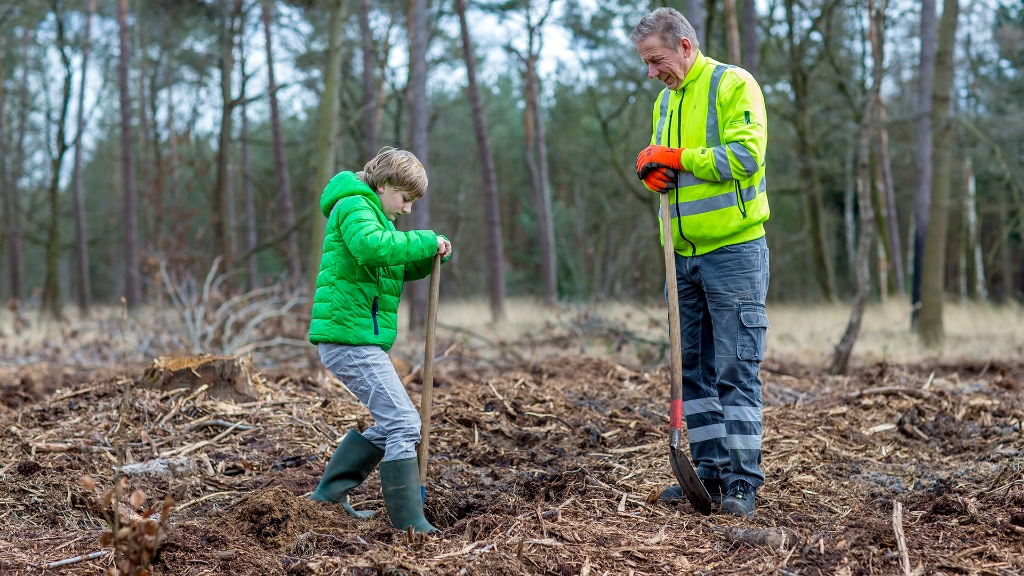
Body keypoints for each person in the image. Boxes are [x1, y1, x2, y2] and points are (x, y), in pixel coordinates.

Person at [630, 8, 770, 518]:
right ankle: (707, 473)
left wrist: (677, 158)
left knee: (735, 369)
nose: (652, 73)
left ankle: (741, 481)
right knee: (693, 371)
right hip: (680, 257)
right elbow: (664, 168)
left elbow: (747, 155)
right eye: (646, 64)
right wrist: (650, 169)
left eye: (657, 60)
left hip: (733, 253)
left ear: (685, 46)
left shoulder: (733, 85)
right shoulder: (666, 101)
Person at [307, 147, 451, 533]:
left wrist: (429, 256)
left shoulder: (377, 215)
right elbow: (372, 250)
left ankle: (329, 495)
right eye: (405, 198)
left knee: (395, 424)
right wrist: (422, 239)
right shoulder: (354, 205)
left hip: (359, 338)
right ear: (385, 183)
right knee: (405, 423)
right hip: (348, 340)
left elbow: (390, 264)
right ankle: (409, 524)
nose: (406, 209)